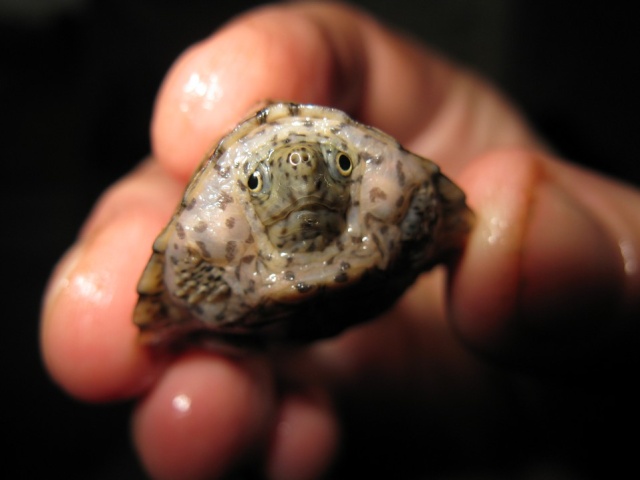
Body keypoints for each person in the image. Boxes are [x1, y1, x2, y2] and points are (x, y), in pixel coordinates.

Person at [40, 2, 638, 479]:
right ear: (241, 192)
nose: (300, 176)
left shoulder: (389, 192)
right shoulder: (212, 236)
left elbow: (437, 208)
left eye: (334, 167)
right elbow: (178, 283)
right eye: (258, 180)